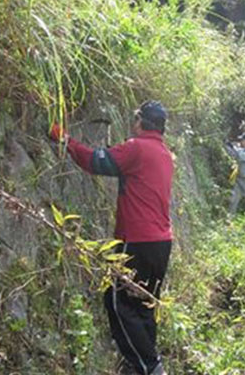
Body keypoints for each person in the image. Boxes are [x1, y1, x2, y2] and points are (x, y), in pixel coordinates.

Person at [49, 101, 173, 375]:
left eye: (135, 118)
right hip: (161, 242)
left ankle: (150, 367)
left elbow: (95, 162)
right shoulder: (164, 153)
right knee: (143, 304)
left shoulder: (137, 147)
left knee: (117, 302)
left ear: (141, 122)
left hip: (137, 241)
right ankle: (140, 364)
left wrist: (65, 139)